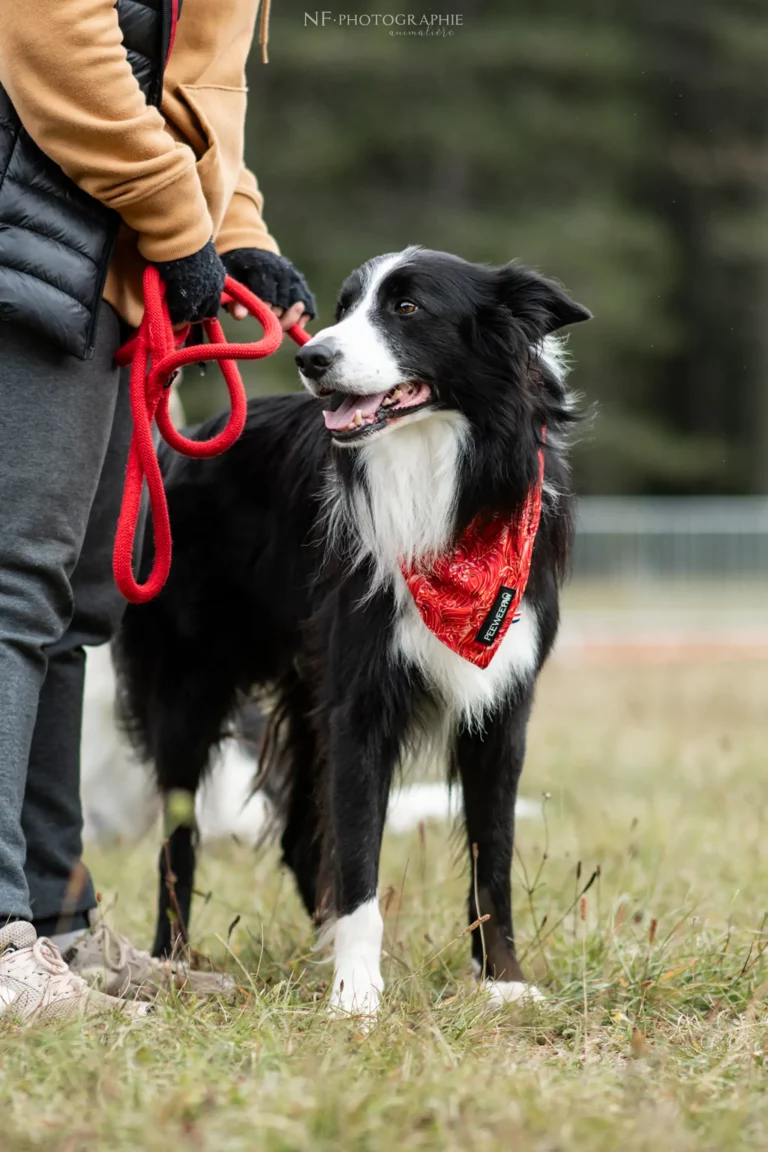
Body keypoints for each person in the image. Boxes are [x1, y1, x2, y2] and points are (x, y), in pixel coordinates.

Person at [0, 0, 315, 1020]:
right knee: (11, 589)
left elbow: (193, 87)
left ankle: (53, 922)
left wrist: (237, 232)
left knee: (72, 603)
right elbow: (54, 42)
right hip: (34, 238)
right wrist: (184, 228)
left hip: (112, 264)